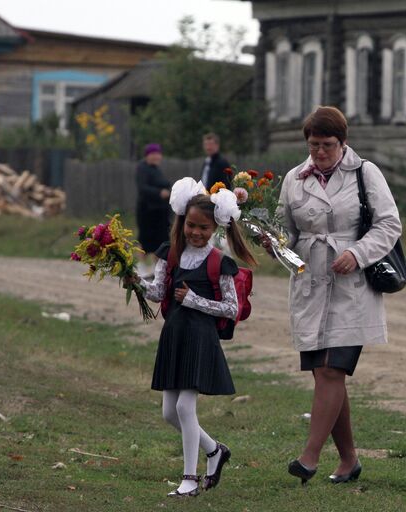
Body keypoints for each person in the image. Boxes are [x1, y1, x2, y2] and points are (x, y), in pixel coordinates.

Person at [274, 106, 402, 485]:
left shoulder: (365, 173)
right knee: (325, 374)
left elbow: (389, 223)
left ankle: (309, 457)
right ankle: (348, 460)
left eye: (327, 145)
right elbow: (286, 231)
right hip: (311, 283)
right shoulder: (294, 179)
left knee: (333, 369)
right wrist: (275, 244)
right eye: (313, 145)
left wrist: (357, 254)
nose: (320, 152)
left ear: (343, 143)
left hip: (353, 286)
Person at [128, 179, 257, 497]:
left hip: (200, 339)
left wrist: (194, 300)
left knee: (185, 408)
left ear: (215, 228)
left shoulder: (219, 262)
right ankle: (215, 450)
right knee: (169, 412)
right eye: (191, 225)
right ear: (181, 221)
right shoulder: (170, 254)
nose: (196, 232)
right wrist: (134, 280)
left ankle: (190, 478)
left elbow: (231, 308)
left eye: (204, 227)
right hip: (174, 335)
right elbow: (159, 292)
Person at [135, 143, 171, 276]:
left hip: (160, 213)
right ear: (147, 155)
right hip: (147, 211)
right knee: (145, 239)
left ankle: (157, 268)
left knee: (160, 241)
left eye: (158, 154)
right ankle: (142, 266)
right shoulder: (142, 168)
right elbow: (143, 188)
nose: (156, 156)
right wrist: (159, 193)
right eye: (153, 154)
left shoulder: (157, 170)